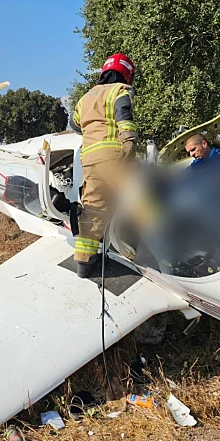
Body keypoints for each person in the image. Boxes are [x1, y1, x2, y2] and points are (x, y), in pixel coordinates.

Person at [70, 52, 137, 278]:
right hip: (112, 155)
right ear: (127, 74)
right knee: (139, 197)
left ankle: (84, 263)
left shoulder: (84, 98)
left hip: (89, 160)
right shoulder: (120, 90)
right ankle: (169, 244)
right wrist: (128, 138)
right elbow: (123, 113)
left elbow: (74, 124)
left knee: (93, 209)